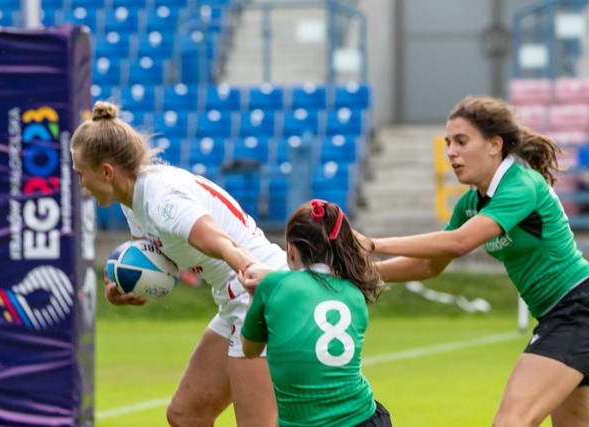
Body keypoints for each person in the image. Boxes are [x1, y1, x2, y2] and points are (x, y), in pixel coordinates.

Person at [358, 95, 589, 427]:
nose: (451, 151)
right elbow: (429, 264)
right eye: (448, 143)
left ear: (494, 145)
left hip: (576, 310)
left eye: (462, 141)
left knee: (511, 421)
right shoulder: (471, 203)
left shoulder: (521, 185)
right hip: (565, 315)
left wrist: (373, 243)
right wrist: (364, 274)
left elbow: (457, 243)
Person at [70, 101, 287, 427]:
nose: (80, 184)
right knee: (187, 415)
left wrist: (265, 284)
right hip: (234, 299)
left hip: (259, 295)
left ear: (106, 172)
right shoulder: (134, 203)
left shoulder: (162, 200)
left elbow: (220, 241)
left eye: (80, 174)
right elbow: (166, 260)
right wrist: (126, 285)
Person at [240, 199, 392, 427]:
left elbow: (250, 350)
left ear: (290, 249)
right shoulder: (354, 293)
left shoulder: (272, 286)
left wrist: (253, 295)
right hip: (365, 419)